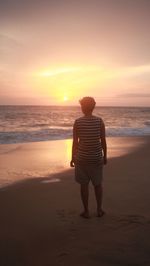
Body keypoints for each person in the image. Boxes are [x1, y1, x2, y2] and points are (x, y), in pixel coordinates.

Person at [70, 96, 107, 218]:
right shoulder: (99, 121)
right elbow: (103, 141)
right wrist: (105, 156)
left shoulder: (78, 122)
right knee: (97, 185)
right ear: (94, 107)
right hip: (96, 158)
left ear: (82, 108)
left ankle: (86, 211)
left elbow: (75, 142)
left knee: (84, 185)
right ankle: (99, 210)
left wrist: (72, 157)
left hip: (82, 159)